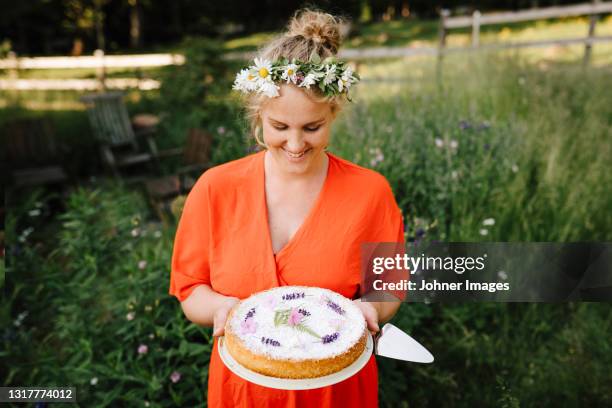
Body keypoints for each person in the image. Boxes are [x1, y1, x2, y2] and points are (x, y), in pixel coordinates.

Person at [169, 8, 405, 408]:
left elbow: (388, 285)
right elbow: (191, 288)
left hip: (337, 392)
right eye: (280, 127)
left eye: (312, 128)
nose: (295, 145)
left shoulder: (370, 192)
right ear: (258, 115)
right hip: (243, 393)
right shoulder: (215, 189)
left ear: (333, 113)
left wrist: (373, 307)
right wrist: (221, 308)